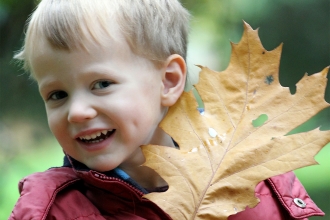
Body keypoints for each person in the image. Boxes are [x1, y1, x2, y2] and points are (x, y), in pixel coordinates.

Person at [9, 0, 324, 219]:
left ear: (168, 81)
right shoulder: (49, 210)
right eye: (57, 94)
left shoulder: (255, 179)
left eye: (101, 84)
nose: (76, 112)